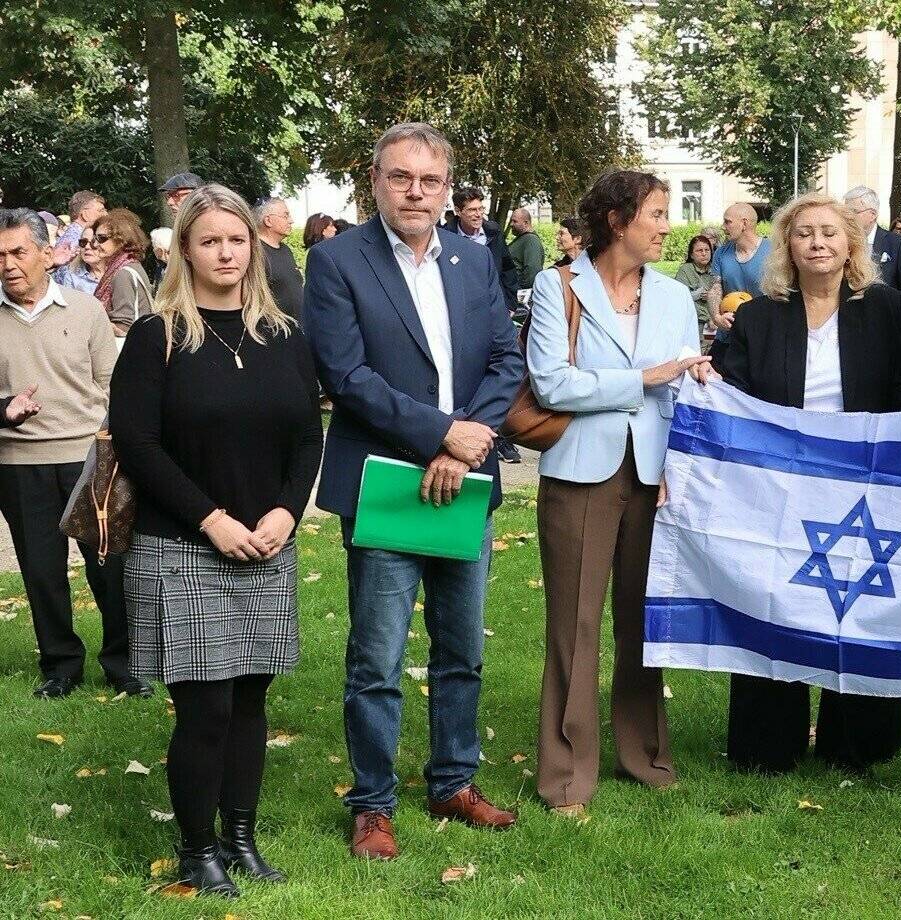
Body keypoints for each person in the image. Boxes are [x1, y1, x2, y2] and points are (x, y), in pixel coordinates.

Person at [302, 122, 526, 860]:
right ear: (374, 180)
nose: (416, 192)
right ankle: (372, 803)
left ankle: (453, 780)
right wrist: (439, 435)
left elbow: (504, 358)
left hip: (465, 482)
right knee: (378, 658)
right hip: (386, 484)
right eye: (401, 177)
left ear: (448, 187)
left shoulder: (472, 257)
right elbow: (346, 375)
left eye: (430, 181)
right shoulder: (336, 260)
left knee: (461, 649)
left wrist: (465, 444)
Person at [110, 184, 322, 898]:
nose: (226, 252)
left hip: (267, 544)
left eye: (237, 239)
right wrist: (212, 519)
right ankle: (198, 851)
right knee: (206, 708)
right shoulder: (157, 335)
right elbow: (138, 445)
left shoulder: (285, 336)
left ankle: (240, 839)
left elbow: (306, 439)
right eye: (210, 241)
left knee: (252, 701)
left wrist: (288, 513)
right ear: (186, 251)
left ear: (253, 246)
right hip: (183, 546)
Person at [526, 170, 707, 816]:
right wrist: (642, 378)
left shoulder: (674, 297)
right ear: (616, 220)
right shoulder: (558, 286)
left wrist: (679, 462)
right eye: (657, 214)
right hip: (579, 474)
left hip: (654, 480)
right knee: (574, 626)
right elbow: (552, 385)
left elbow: (683, 392)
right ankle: (567, 777)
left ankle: (645, 754)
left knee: (643, 622)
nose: (667, 226)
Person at [718, 192, 901, 774]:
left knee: (853, 605)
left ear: (851, 242)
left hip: (865, 486)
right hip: (779, 488)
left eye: (829, 232)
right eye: (804, 233)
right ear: (787, 246)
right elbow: (733, 395)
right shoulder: (759, 316)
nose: (818, 243)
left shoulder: (886, 309)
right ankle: (767, 742)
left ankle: (855, 742)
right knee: (778, 600)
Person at [0, 209, 136, 700]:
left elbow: (110, 384)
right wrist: (3, 409)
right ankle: (61, 666)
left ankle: (124, 665)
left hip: (89, 459)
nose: (10, 264)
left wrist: (110, 444)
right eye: (0, 255)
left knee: (110, 567)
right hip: (18, 464)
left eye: (18, 252)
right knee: (41, 570)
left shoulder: (85, 310)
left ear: (45, 253)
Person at [711, 202, 768, 364]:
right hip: (728, 335)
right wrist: (716, 317)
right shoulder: (721, 253)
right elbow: (715, 288)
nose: (723, 227)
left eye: (727, 222)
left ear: (744, 223)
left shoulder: (773, 252)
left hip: (762, 337)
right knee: (709, 381)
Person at [842, 186, 901, 293]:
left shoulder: (898, 245)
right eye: (844, 212)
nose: (847, 217)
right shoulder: (841, 244)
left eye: (853, 212)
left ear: (873, 214)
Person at [92, 207, 154, 339]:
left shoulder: (123, 273)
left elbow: (124, 326)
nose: (95, 244)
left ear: (121, 240)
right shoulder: (130, 265)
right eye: (95, 238)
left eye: (101, 238)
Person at [444, 186, 512, 298]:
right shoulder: (446, 237)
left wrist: (510, 304)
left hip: (495, 305)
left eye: (481, 209)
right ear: (458, 211)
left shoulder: (494, 232)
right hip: (464, 307)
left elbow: (508, 268)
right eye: (472, 210)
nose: (478, 214)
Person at [254, 198, 303, 319]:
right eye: (285, 216)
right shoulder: (255, 252)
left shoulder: (285, 249)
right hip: (275, 331)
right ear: (268, 220)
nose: (291, 221)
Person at [673, 233, 721, 326]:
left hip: (717, 321)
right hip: (693, 322)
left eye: (707, 250)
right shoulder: (685, 270)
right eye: (699, 251)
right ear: (691, 255)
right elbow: (678, 299)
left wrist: (713, 296)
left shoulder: (716, 269)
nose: (704, 253)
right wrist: (698, 294)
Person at [51, 190, 105, 270]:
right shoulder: (75, 240)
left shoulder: (72, 235)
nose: (105, 214)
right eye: (101, 210)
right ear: (85, 215)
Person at [506, 207, 545, 305]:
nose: (511, 224)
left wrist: (520, 295)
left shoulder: (531, 240)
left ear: (526, 223)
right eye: (511, 221)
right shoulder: (522, 239)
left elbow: (533, 270)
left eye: (514, 221)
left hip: (520, 297)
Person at [54, 225, 104, 295]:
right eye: (83, 242)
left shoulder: (119, 272)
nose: (87, 247)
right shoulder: (69, 273)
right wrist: (53, 263)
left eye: (93, 242)